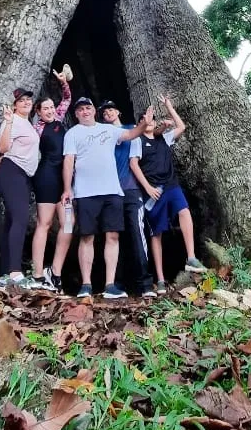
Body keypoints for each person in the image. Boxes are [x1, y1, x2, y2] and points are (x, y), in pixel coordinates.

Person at [62, 97, 153, 300]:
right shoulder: (72, 133)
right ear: (76, 114)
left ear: (93, 110)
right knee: (87, 237)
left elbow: (131, 134)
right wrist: (67, 189)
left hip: (112, 191)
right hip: (85, 192)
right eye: (80, 109)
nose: (85, 111)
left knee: (113, 236)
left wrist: (145, 123)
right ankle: (86, 284)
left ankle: (110, 284)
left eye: (88, 108)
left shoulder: (109, 130)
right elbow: (69, 161)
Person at [128, 94, 206, 293]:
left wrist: (169, 106)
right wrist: (147, 188)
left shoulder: (163, 138)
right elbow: (133, 164)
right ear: (140, 123)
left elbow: (181, 127)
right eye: (146, 119)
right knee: (156, 233)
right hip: (153, 192)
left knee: (184, 211)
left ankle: (191, 257)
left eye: (152, 119)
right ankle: (161, 279)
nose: (151, 122)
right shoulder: (137, 141)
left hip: (171, 185)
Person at [98, 100, 156, 298]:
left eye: (111, 109)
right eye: (104, 112)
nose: (108, 113)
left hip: (130, 190)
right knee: (112, 237)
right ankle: (115, 284)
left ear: (119, 111)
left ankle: (146, 284)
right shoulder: (102, 135)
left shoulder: (133, 130)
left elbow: (134, 161)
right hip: (110, 191)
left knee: (137, 234)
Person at [29, 68, 74, 291]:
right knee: (44, 224)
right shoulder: (36, 129)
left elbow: (67, 97)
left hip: (64, 178)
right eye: (44, 108)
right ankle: (37, 274)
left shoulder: (59, 117)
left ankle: (54, 273)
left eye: (50, 107)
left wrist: (62, 82)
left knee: (68, 225)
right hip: (46, 176)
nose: (48, 110)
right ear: (38, 111)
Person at [0, 87, 40, 288]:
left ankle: (5, 273)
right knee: (20, 219)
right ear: (15, 105)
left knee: (12, 221)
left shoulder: (29, 124)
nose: (26, 102)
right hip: (12, 171)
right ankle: (15, 272)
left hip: (21, 175)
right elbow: (3, 148)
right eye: (21, 101)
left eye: (28, 100)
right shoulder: (11, 121)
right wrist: (9, 121)